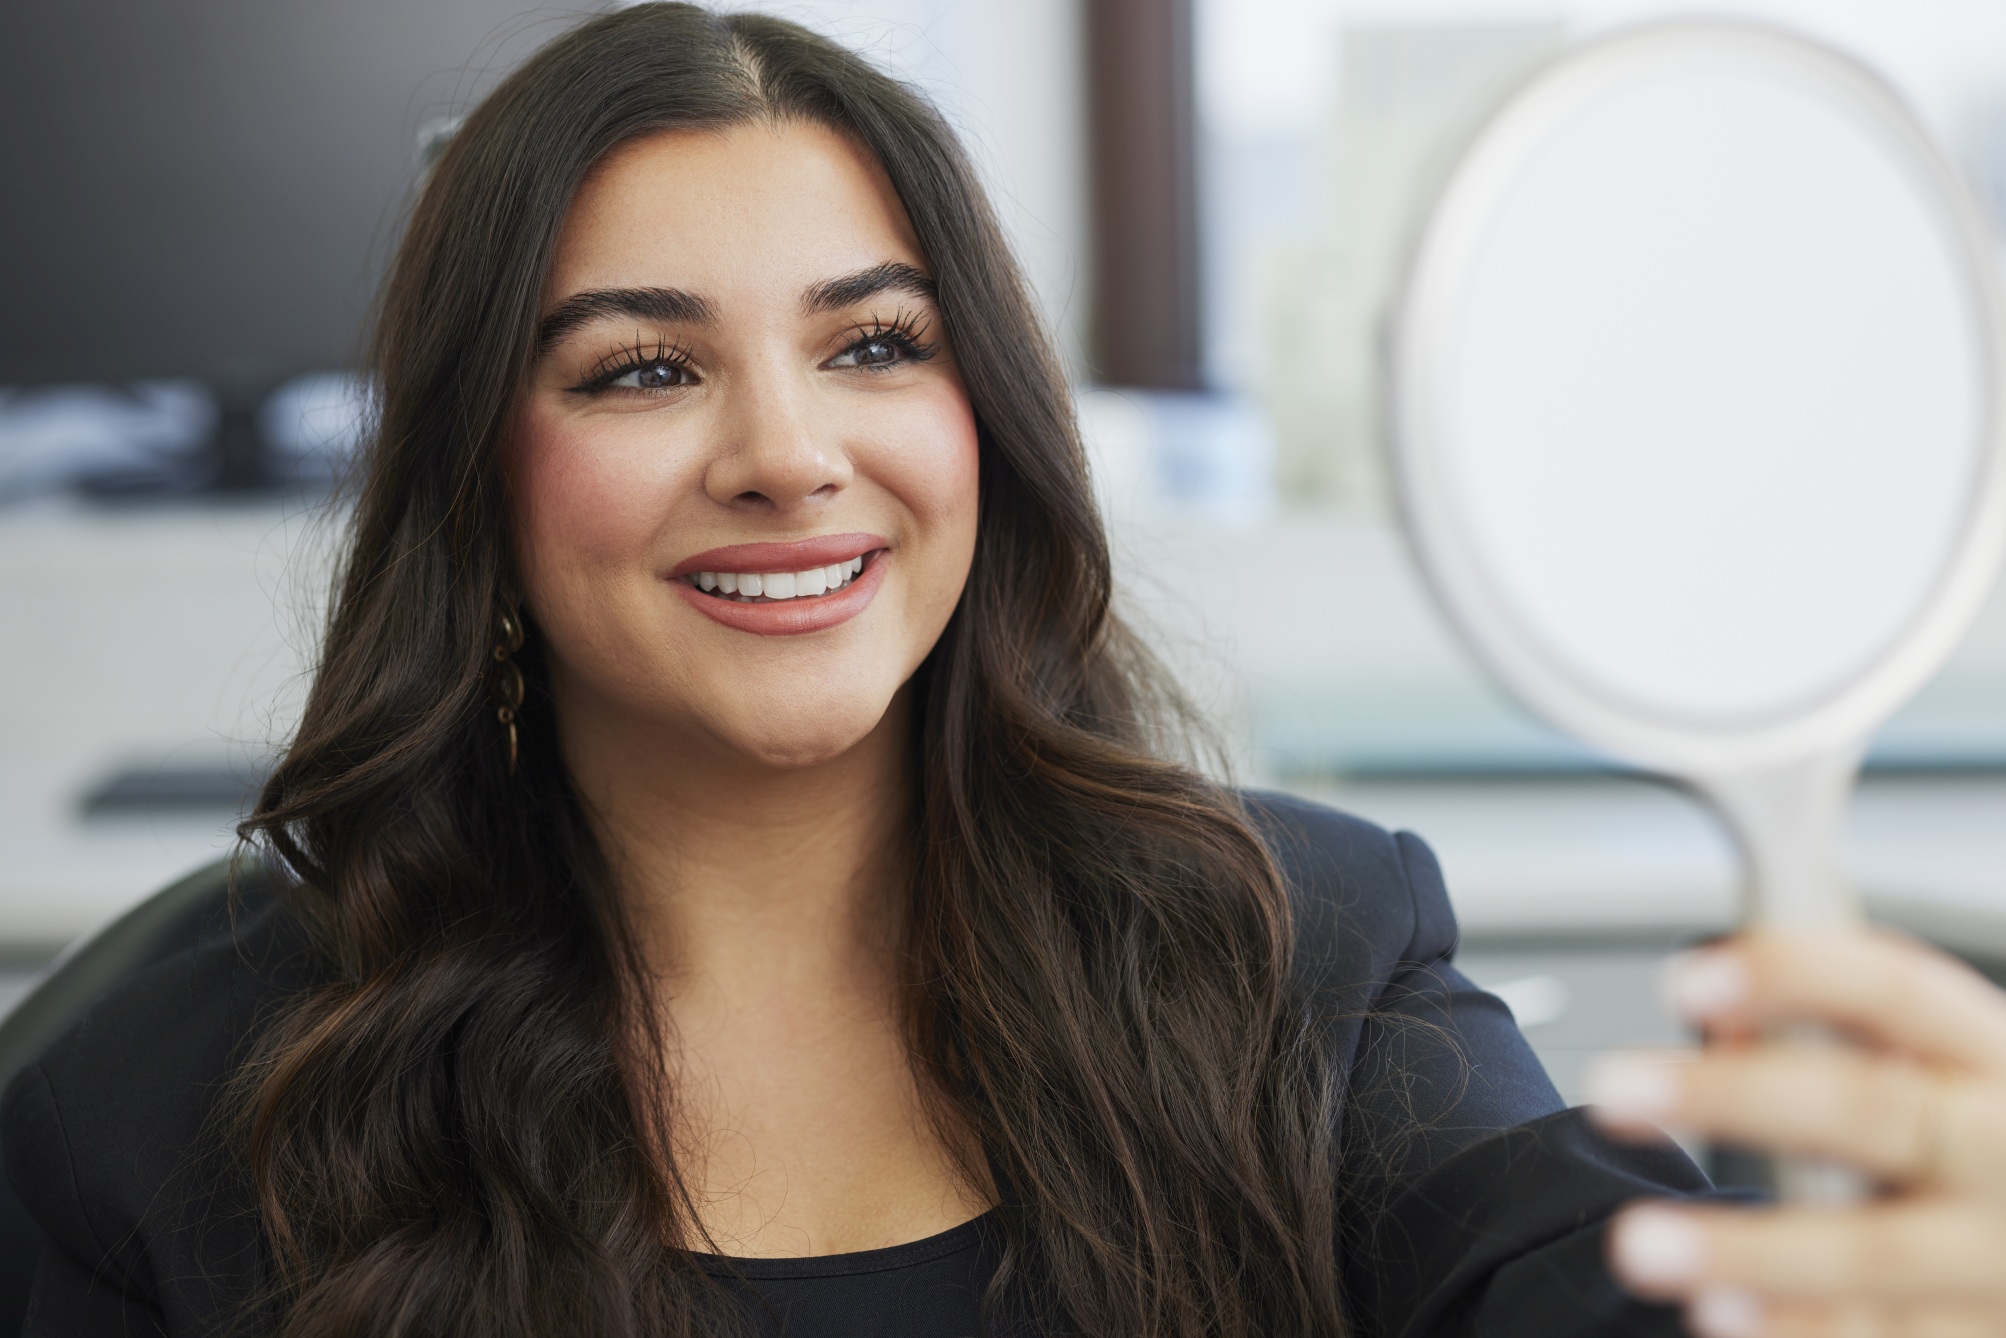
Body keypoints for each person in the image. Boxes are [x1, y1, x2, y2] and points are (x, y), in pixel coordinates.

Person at [6, 6, 2006, 1335]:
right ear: (478, 476)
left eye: (876, 345)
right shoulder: (162, 1103)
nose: (790, 452)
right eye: (642, 367)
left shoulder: (1296, 953)